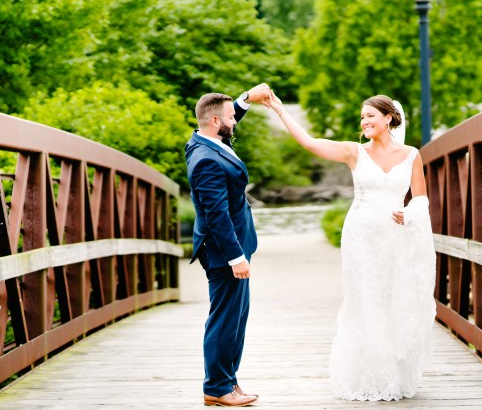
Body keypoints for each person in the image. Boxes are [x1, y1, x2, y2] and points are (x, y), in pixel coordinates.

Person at [268, 92, 436, 401]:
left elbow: (421, 197)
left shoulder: (412, 155)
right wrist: (279, 109)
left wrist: (410, 213)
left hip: (395, 237)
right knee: (365, 299)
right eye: (362, 117)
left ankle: (393, 374)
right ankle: (366, 375)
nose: (364, 121)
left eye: (370, 115)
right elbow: (310, 143)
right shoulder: (354, 152)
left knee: (392, 298)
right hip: (361, 237)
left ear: (388, 118)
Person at [185, 84, 270, 407]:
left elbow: (226, 119)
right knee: (224, 319)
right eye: (231, 117)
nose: (235, 121)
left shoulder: (206, 140)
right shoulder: (205, 160)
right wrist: (236, 257)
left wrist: (246, 99)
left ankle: (228, 381)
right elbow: (216, 214)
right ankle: (217, 387)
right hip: (224, 251)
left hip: (233, 246)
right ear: (215, 122)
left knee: (236, 318)